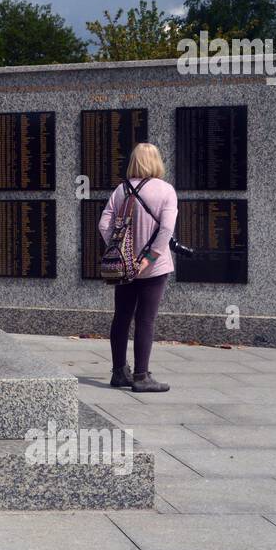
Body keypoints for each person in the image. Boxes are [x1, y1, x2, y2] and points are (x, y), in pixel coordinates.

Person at [98, 141, 177, 393]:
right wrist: (150, 258)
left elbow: (103, 225)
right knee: (145, 319)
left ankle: (119, 372)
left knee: (121, 316)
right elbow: (166, 229)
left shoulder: (120, 190)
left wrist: (119, 253)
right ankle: (141, 376)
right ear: (155, 161)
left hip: (124, 266)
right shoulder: (166, 190)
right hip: (154, 267)